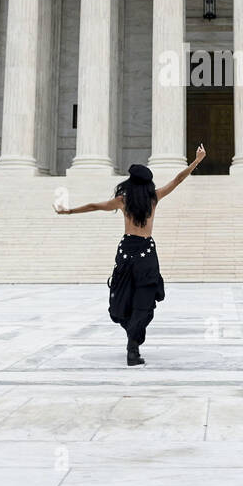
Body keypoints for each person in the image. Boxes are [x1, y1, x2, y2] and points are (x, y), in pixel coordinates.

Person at [55, 145, 206, 365]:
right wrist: (196, 161)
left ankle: (132, 338)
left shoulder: (123, 200)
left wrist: (68, 211)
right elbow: (178, 179)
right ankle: (133, 345)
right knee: (144, 299)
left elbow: (94, 206)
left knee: (124, 294)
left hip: (126, 250)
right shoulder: (153, 197)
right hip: (146, 252)